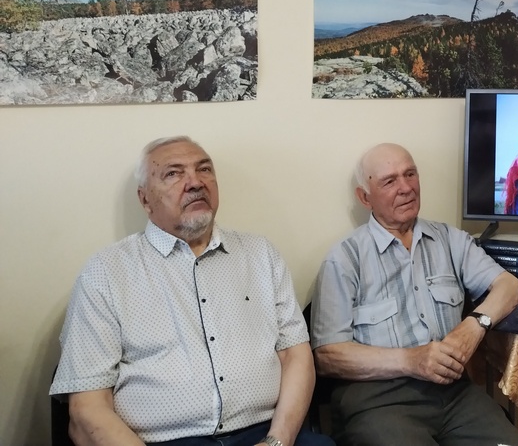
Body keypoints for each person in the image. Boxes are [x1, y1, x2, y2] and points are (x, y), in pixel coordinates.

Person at [49, 136, 330, 446]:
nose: (195, 182)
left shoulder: (260, 254)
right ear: (145, 199)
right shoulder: (106, 272)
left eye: (204, 169)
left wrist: (277, 441)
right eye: (173, 173)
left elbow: (295, 355)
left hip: (267, 432)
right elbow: (87, 409)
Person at [310, 142, 518, 446]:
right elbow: (327, 356)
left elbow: (509, 286)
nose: (405, 188)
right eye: (390, 181)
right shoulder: (345, 258)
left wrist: (474, 326)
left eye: (410, 174)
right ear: (365, 197)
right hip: (378, 403)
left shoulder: (450, 239)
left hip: (455, 395)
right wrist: (410, 360)